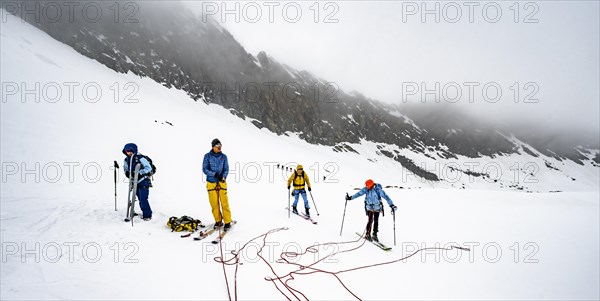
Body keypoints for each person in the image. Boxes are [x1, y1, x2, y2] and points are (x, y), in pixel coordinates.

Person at [202, 138, 232, 230]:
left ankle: (227, 222)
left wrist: (223, 177)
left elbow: (226, 168)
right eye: (217, 146)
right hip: (211, 182)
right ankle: (218, 221)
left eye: (220, 146)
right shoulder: (207, 156)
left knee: (224, 202)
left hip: (221, 182)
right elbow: (205, 169)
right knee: (214, 203)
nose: (219, 148)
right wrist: (214, 174)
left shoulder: (224, 157)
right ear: (213, 147)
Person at [122, 143, 153, 221]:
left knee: (143, 198)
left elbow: (148, 168)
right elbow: (125, 168)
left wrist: (139, 173)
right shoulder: (126, 159)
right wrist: (127, 173)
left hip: (143, 180)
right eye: (126, 151)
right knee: (136, 197)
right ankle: (132, 211)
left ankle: (147, 215)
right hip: (134, 181)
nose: (128, 152)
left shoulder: (140, 157)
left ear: (133, 150)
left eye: (129, 151)